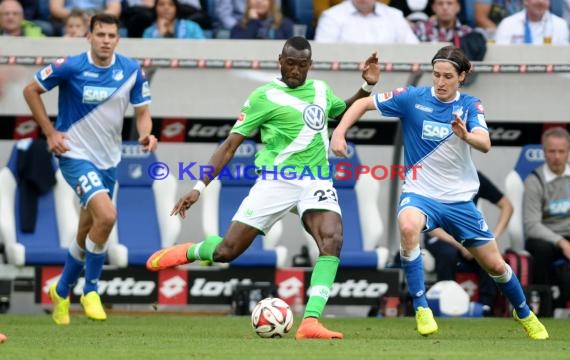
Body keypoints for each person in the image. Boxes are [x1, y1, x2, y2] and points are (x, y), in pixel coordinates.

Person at [146, 36, 380, 340]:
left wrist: (368, 87)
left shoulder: (321, 90)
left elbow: (340, 112)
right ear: (279, 60)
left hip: (316, 179)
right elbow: (229, 146)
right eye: (290, 63)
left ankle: (310, 321)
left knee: (332, 239)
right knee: (226, 251)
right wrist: (199, 187)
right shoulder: (263, 97)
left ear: (311, 65)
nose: (295, 70)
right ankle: (191, 250)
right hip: (275, 181)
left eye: (301, 65)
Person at [330, 45, 548, 340]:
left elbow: (485, 143)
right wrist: (340, 132)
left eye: (447, 76)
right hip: (420, 193)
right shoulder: (412, 98)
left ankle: (523, 312)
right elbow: (361, 104)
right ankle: (421, 308)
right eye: (436, 75)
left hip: (459, 200)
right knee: (408, 225)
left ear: (462, 76)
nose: (441, 82)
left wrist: (466, 135)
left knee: (496, 265)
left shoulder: (471, 105)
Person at [22, 13, 157, 325]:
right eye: (100, 35)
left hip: (109, 160)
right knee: (107, 216)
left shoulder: (131, 70)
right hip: (74, 154)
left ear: (117, 39)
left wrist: (145, 133)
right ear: (90, 37)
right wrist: (50, 132)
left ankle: (61, 289)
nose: (106, 41)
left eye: (111, 35)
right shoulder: (71, 66)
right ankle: (91, 291)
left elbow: (143, 113)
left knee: (88, 231)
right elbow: (30, 90)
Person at [424, 171, 513, 316]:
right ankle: (446, 305)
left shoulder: (474, 176)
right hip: (440, 234)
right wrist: (460, 244)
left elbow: (507, 206)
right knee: (448, 253)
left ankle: (485, 307)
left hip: (468, 234)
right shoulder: (432, 176)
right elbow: (425, 221)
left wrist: (492, 237)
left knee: (489, 256)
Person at [524, 127, 570, 309]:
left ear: (568, 152)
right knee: (539, 249)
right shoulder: (534, 180)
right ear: (544, 152)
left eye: (561, 151)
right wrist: (561, 242)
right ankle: (544, 306)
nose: (557, 156)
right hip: (547, 238)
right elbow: (531, 225)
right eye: (552, 151)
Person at [314, 0, 419, 44]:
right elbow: (323, 56)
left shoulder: (394, 15)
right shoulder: (331, 16)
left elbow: (413, 50)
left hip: (392, 80)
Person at [494, 0, 569, 45]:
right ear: (525, 1)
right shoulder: (508, 24)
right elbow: (500, 55)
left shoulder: (560, 25)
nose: (540, 2)